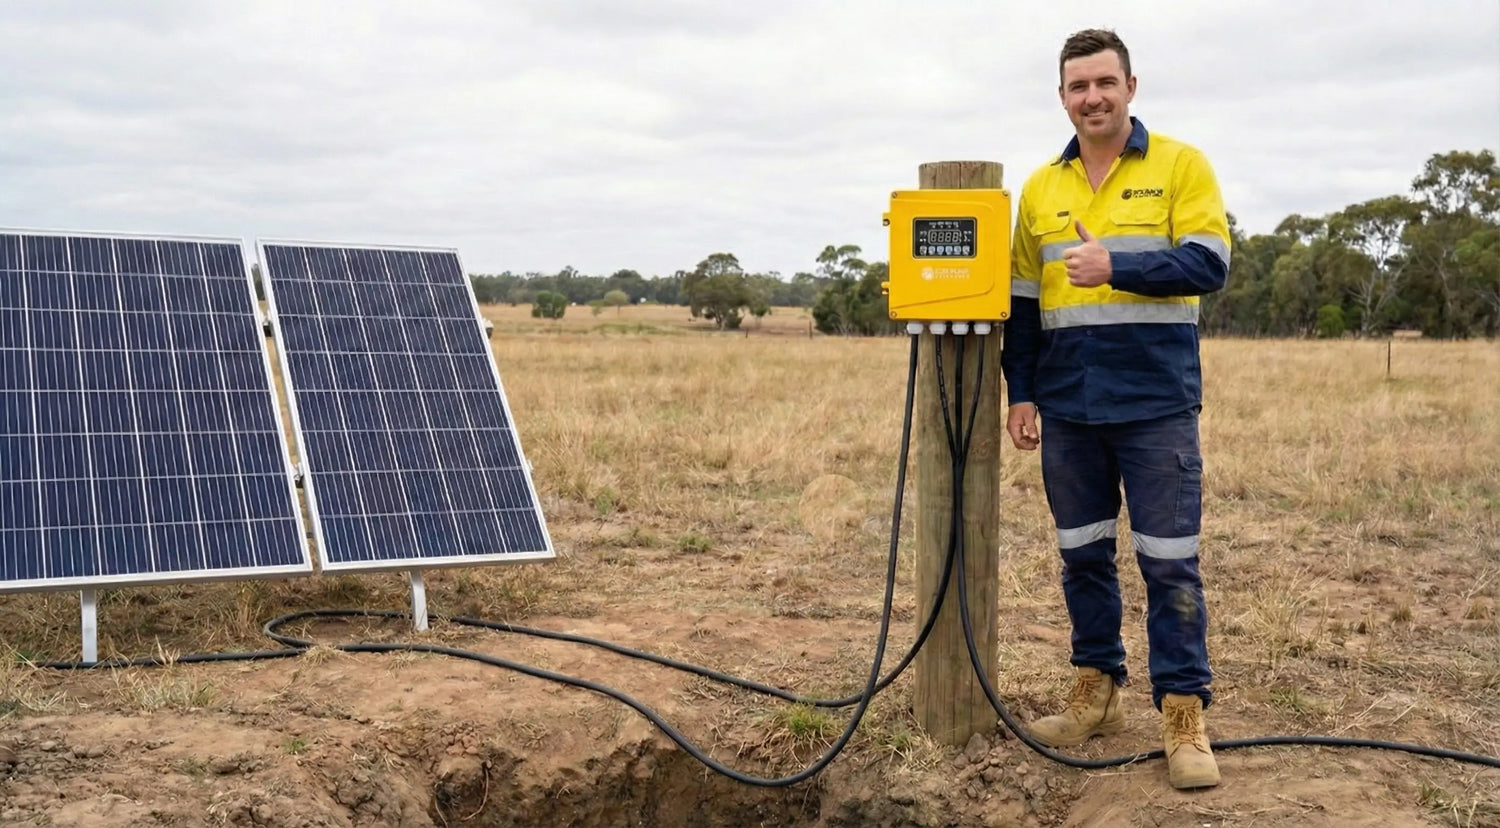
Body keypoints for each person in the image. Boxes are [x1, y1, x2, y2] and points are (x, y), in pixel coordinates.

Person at [999, 28, 1230, 790]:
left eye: (1104, 82)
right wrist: (1022, 391)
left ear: (1132, 86)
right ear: (1062, 97)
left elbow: (1210, 262)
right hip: (1068, 408)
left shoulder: (1180, 165)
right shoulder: (1040, 189)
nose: (1091, 97)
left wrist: (1116, 265)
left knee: (1170, 564)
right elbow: (1023, 306)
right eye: (1077, 86)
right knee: (1082, 554)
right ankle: (1097, 687)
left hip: (1157, 403)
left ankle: (1183, 711)